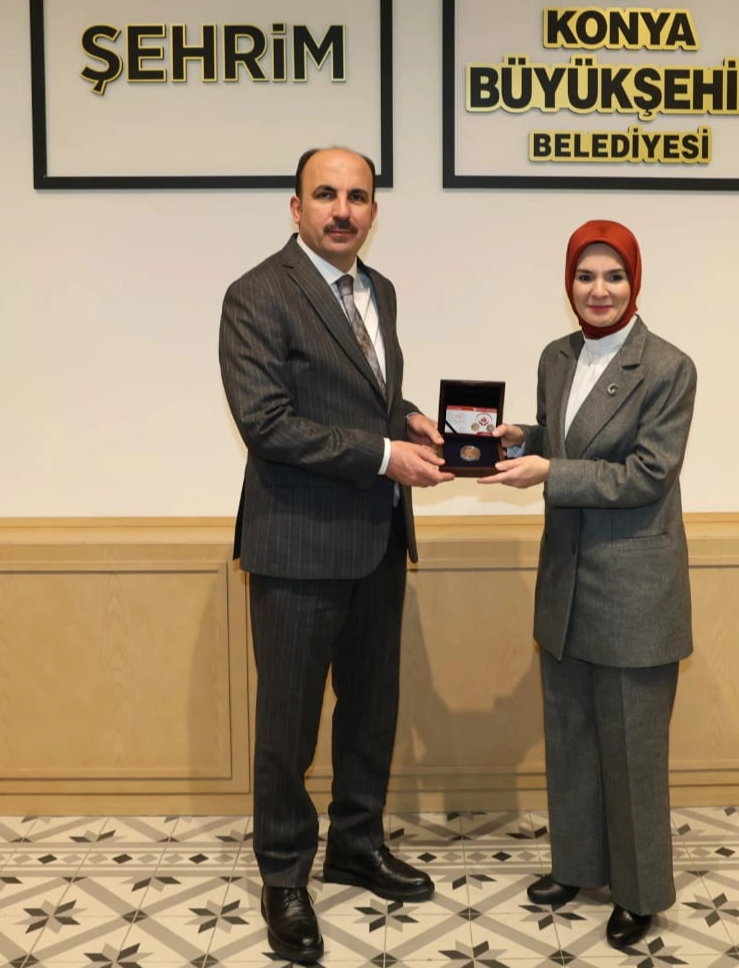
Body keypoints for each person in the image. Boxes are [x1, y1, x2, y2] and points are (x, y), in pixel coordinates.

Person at [218, 146, 454, 964]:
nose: (342, 209)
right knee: (288, 725)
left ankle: (357, 844)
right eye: (325, 194)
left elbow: (363, 396)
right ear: (296, 208)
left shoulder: (377, 290)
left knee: (370, 709)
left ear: (373, 211)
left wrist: (409, 417)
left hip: (378, 539)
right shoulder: (256, 295)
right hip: (296, 542)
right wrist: (387, 455)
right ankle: (284, 876)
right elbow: (268, 423)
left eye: (357, 196)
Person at [481, 219, 697, 949]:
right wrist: (523, 438)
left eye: (614, 276)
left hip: (633, 585)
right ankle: (576, 864)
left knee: (632, 750)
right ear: (568, 282)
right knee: (571, 733)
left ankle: (639, 892)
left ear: (635, 282)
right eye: (585, 276)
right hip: (567, 576)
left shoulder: (668, 367)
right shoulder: (557, 356)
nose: (599, 290)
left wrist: (550, 472)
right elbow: (569, 440)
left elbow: (646, 474)